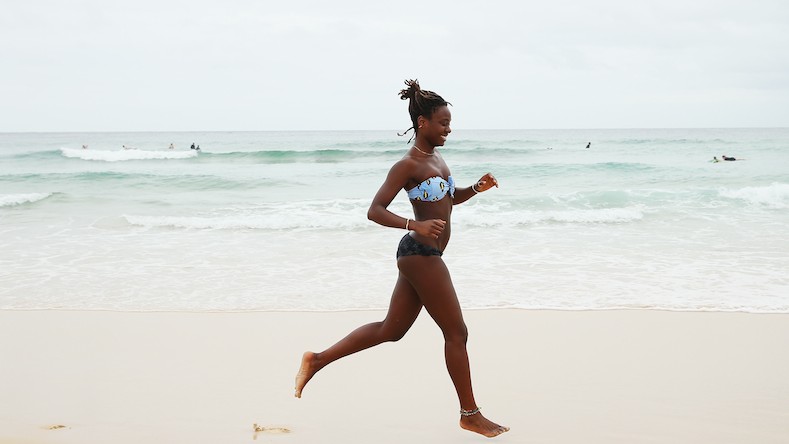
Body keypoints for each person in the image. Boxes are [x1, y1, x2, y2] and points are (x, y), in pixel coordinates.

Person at [294, 79, 509, 438]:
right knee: (457, 332)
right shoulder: (407, 165)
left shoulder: (437, 158)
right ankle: (469, 414)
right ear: (423, 122)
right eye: (443, 123)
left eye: (449, 123)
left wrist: (475, 189)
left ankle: (317, 360)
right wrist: (415, 224)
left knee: (390, 330)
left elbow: (448, 199)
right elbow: (375, 210)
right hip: (419, 254)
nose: (448, 129)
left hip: (424, 254)